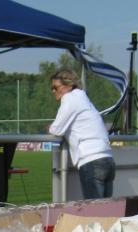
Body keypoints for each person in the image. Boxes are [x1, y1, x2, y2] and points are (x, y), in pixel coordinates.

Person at [48, 69, 115, 200]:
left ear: (68, 85)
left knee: (95, 210)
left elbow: (56, 130)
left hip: (91, 160)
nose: (53, 91)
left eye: (55, 87)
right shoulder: (83, 98)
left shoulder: (70, 98)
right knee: (106, 209)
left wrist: (49, 127)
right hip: (107, 159)